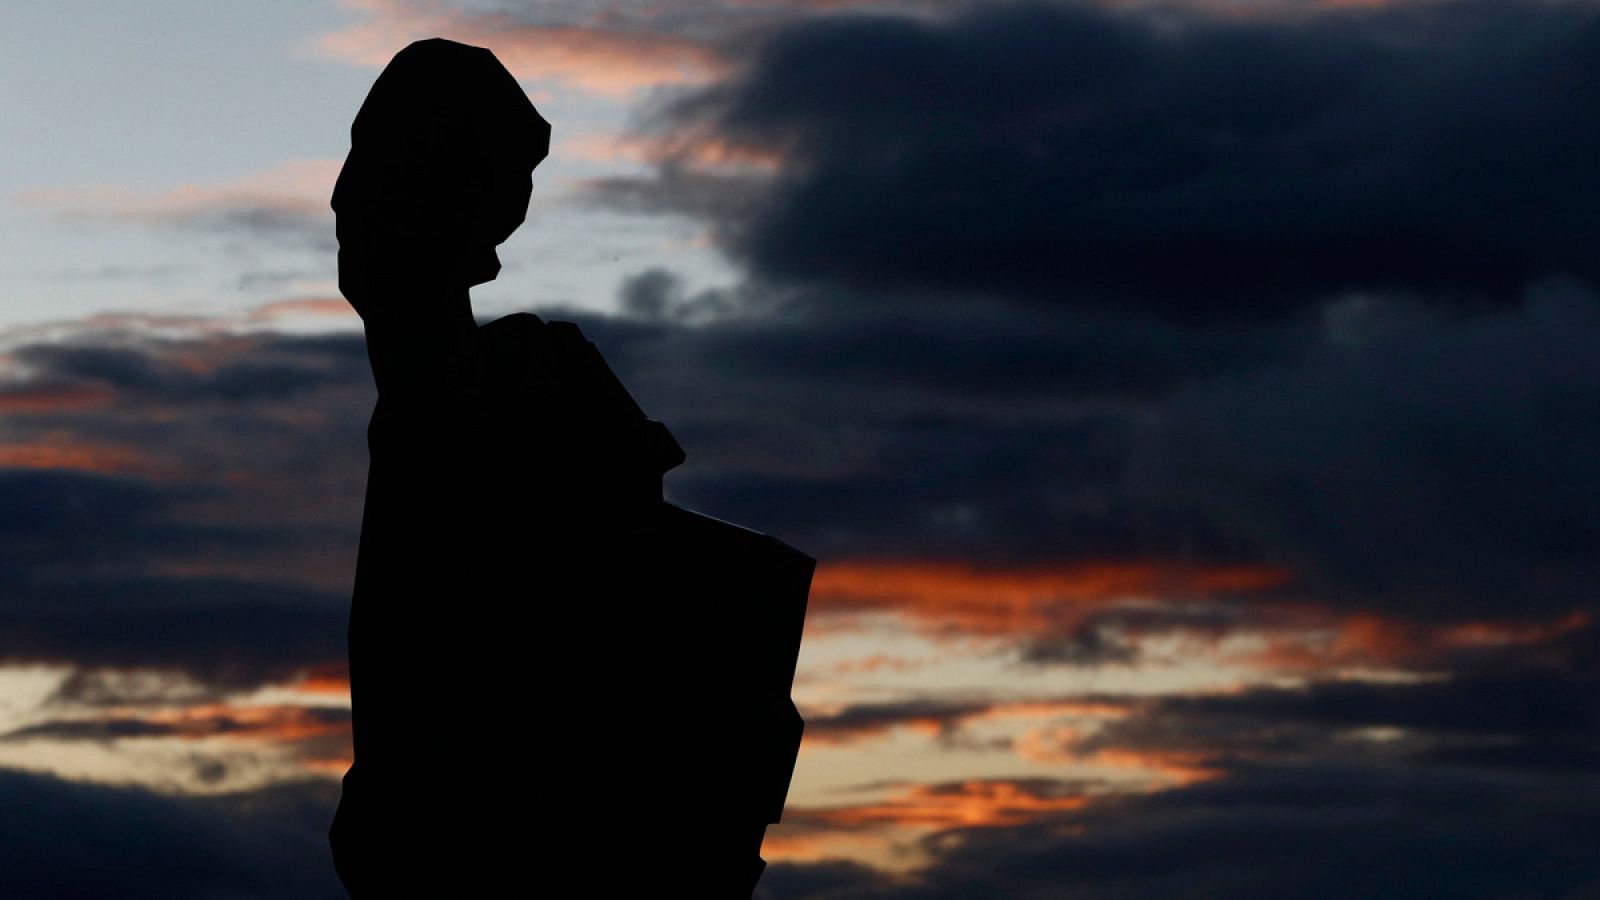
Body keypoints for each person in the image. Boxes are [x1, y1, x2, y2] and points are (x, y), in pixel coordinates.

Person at [326, 38, 813, 897]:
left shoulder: (526, 387)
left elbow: (616, 640)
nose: (342, 204)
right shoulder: (450, 401)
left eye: (376, 177)